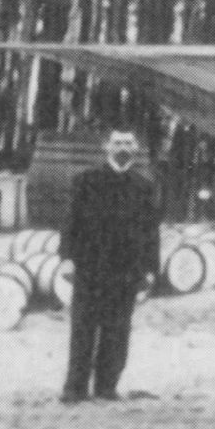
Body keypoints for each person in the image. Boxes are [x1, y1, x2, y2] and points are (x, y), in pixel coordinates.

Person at [60, 128, 159, 404]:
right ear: (106, 146)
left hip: (126, 271)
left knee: (117, 331)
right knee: (83, 329)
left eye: (128, 142)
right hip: (90, 268)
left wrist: (150, 269)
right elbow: (70, 223)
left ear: (136, 147)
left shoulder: (143, 186)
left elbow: (151, 232)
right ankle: (74, 389)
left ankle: (106, 387)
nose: (122, 147)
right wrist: (67, 258)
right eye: (117, 142)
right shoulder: (86, 181)